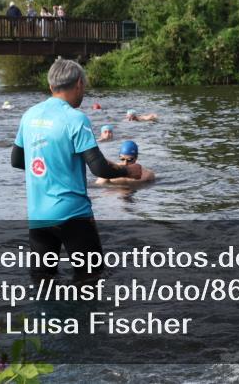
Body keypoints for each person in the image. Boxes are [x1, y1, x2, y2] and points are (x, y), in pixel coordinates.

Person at [10, 59, 142, 281]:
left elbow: (16, 160)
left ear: (51, 85)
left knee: (43, 282)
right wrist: (129, 172)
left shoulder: (29, 115)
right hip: (74, 215)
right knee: (90, 278)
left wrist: (49, 165)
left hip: (39, 216)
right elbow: (99, 167)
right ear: (79, 83)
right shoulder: (75, 119)